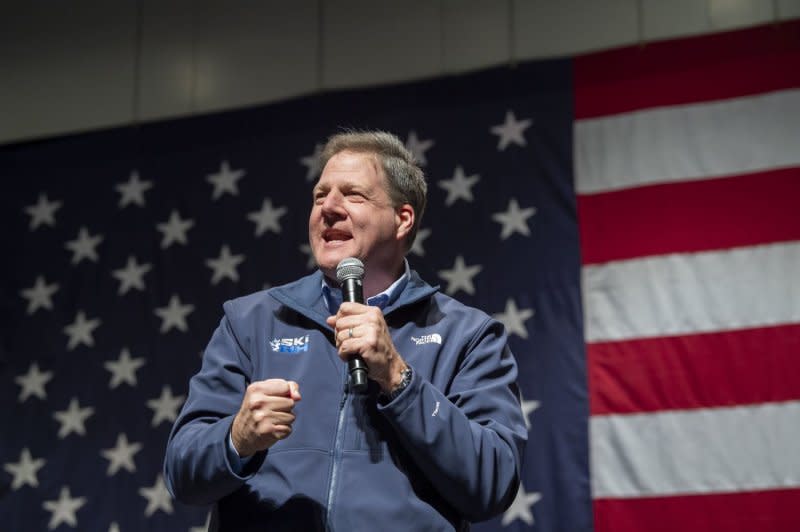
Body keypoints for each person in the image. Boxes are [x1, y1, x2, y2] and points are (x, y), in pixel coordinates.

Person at [164, 130, 528, 531]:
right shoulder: (251, 321)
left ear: (402, 219)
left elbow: (493, 483)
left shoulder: (468, 334)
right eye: (320, 196)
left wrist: (399, 379)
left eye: (353, 195)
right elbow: (182, 474)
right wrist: (237, 439)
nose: (329, 208)